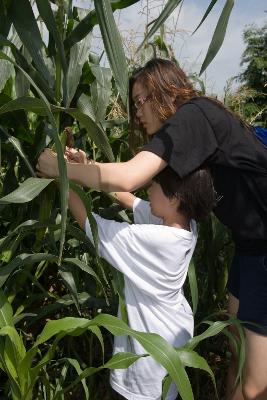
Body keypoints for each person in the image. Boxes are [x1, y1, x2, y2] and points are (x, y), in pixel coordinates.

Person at [37, 58, 267, 400]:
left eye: (144, 99)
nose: (139, 111)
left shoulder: (195, 116)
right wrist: (85, 166)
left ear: (168, 90)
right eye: (135, 103)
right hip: (248, 247)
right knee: (236, 351)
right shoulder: (190, 141)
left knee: (254, 386)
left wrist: (58, 167)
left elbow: (130, 176)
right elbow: (132, 193)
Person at [66, 164, 215, 400]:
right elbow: (129, 199)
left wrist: (63, 175)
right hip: (171, 338)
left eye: (153, 184)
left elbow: (91, 224)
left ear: (175, 198)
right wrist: (84, 168)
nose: (148, 189)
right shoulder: (185, 224)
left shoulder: (157, 240)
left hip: (146, 354)